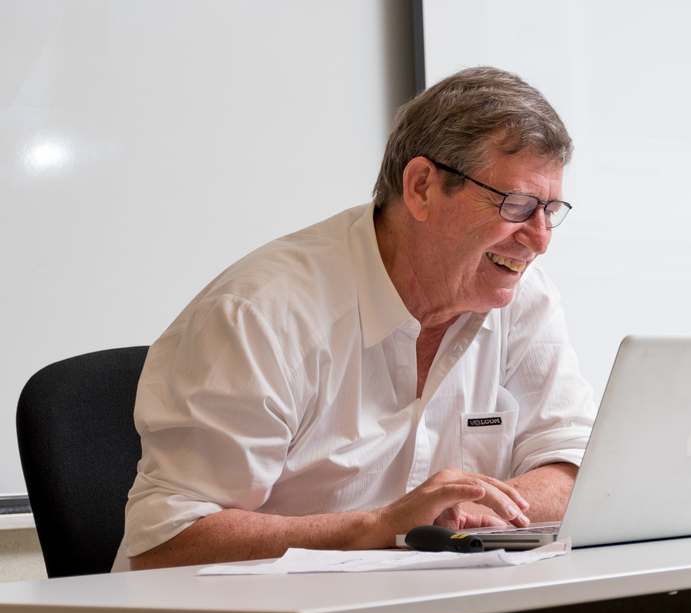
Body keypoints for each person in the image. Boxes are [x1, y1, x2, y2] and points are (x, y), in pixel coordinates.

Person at [113, 67, 596, 571]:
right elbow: (167, 544)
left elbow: (576, 470)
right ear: (422, 187)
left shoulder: (524, 301)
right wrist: (381, 527)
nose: (540, 239)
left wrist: (466, 510)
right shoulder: (260, 314)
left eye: (550, 209)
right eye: (516, 205)